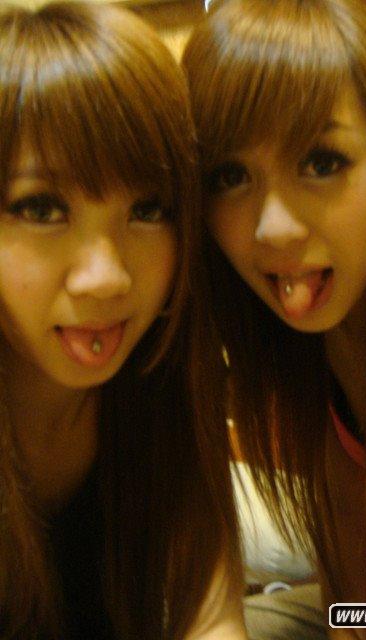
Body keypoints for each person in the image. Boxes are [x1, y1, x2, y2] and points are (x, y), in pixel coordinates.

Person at [182, 0, 366, 637]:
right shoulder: (324, 321)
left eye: (322, 163)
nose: (273, 229)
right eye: (230, 175)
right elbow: (346, 516)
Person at [0, 2, 246, 639]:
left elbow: (212, 615)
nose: (107, 277)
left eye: (148, 210)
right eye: (41, 208)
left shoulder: (163, 381)